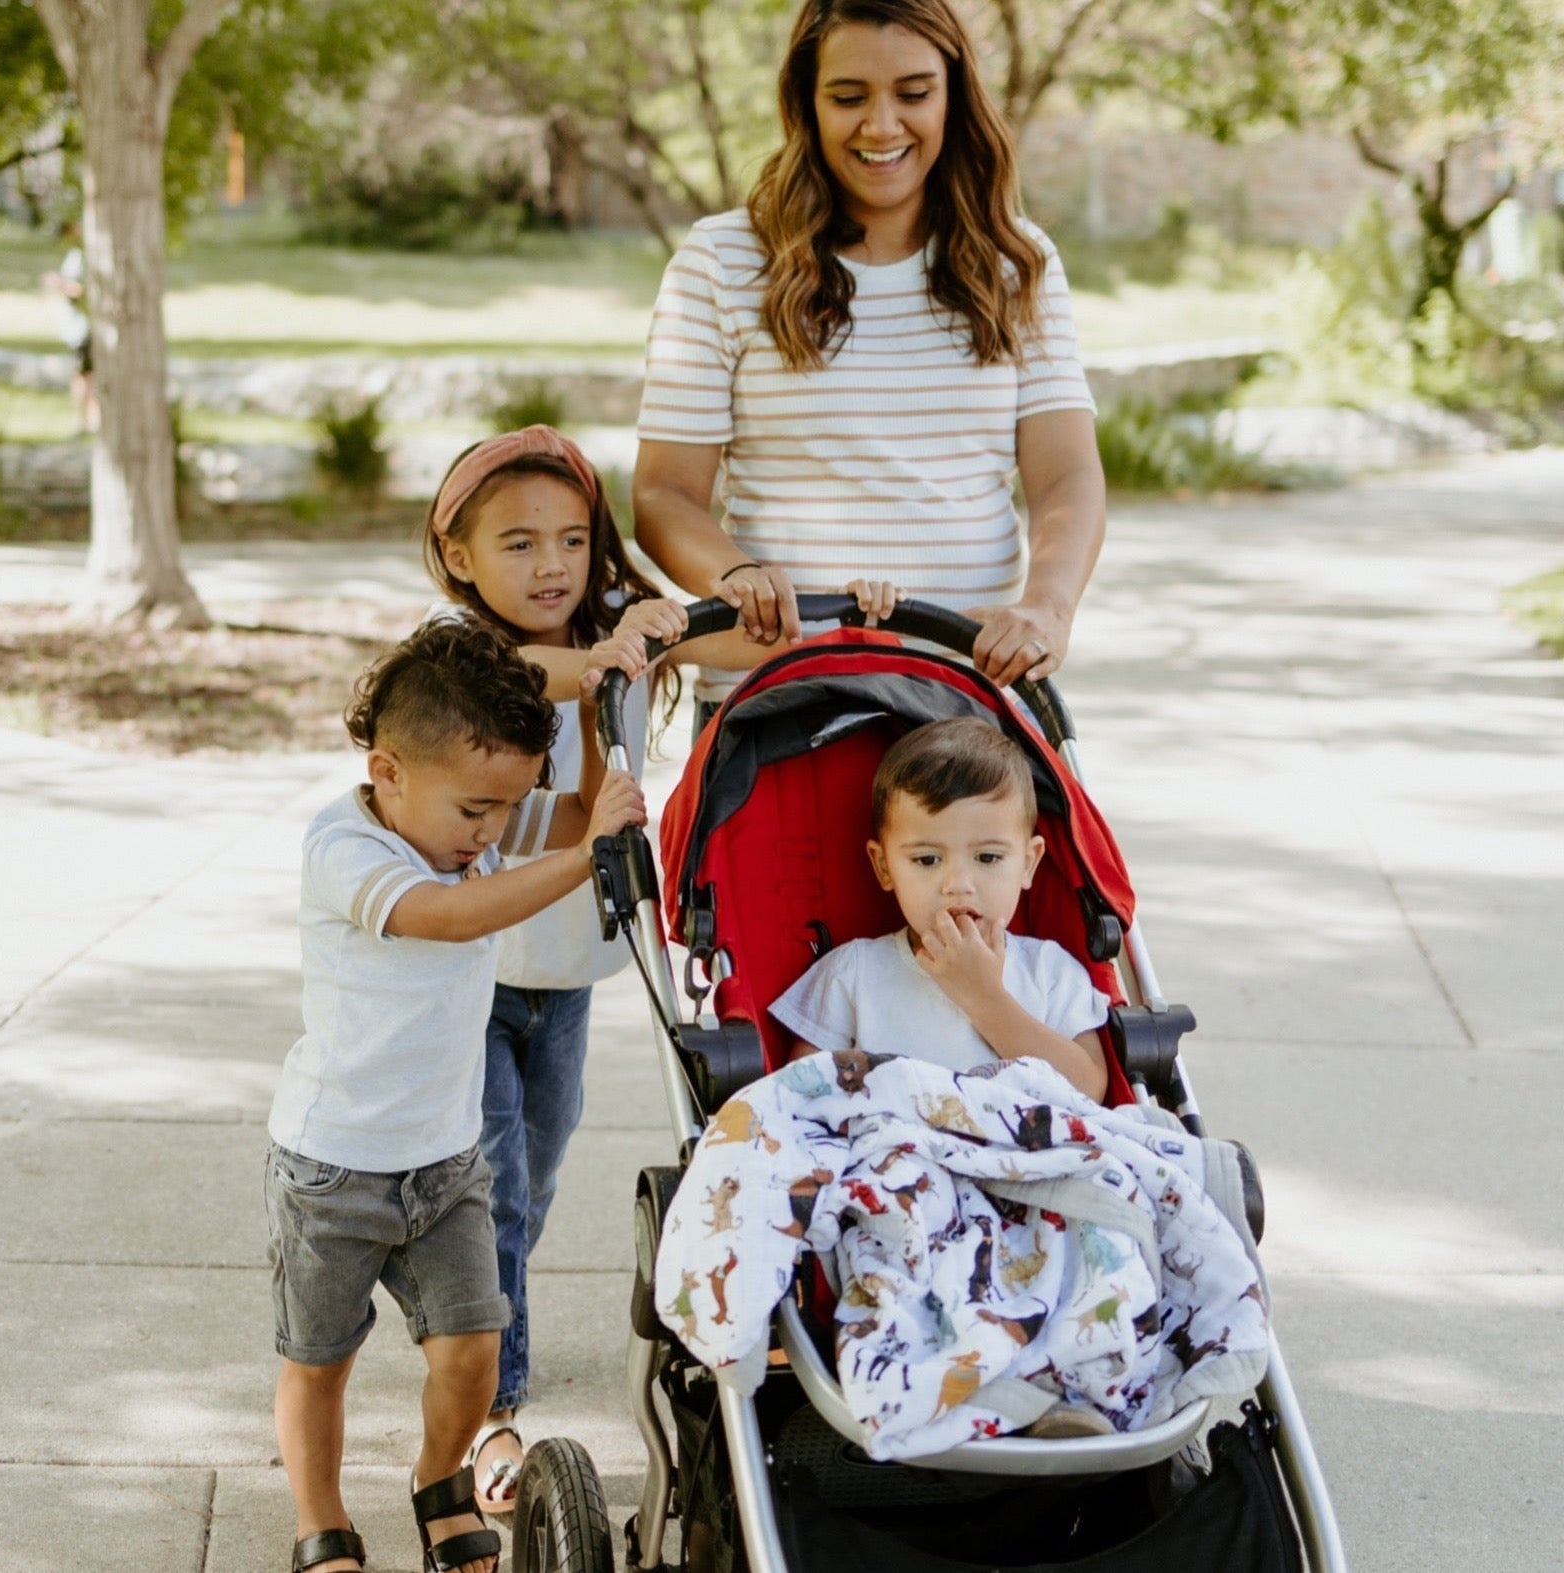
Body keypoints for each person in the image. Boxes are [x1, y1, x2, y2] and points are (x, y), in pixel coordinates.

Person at [421, 425, 794, 1512]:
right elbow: (529, 673)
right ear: (458, 556)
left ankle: (469, 1311)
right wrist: (613, 653)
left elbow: (747, 655)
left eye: (573, 540)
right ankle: (490, 1399)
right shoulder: (455, 655)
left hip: (564, 977)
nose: (551, 564)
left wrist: (782, 609)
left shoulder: (610, 639)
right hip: (469, 976)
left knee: (530, 1179)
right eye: (519, 542)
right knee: (494, 1186)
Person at [264, 617, 646, 1573]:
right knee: (319, 1359)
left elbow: (576, 814)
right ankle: (321, 1521)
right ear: (387, 770)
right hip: (333, 1166)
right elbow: (450, 914)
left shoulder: (472, 815)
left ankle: (439, 1482)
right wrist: (584, 859)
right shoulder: (346, 847)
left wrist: (593, 712)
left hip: (444, 1161)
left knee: (474, 1348)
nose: (489, 834)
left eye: (504, 809)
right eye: (476, 810)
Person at [633, 0, 1105, 721]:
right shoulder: (721, 260)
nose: (882, 126)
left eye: (913, 93)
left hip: (965, 709)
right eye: (848, 97)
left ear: (952, 97)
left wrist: (1047, 608)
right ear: (807, 104)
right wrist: (737, 575)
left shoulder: (1016, 261)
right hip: (778, 705)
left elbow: (1066, 474)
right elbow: (663, 494)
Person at [771, 716, 1109, 1102]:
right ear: (884, 867)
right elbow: (795, 1101)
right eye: (928, 860)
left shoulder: (1048, 971)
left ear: (1028, 863)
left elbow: (1088, 1092)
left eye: (987, 857)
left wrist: (986, 999)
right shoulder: (853, 973)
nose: (958, 884)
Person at [41, 221, 96, 434]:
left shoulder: (85, 255)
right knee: (84, 374)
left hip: (86, 327)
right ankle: (85, 419)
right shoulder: (76, 254)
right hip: (76, 327)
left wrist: (58, 283)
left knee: (86, 375)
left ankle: (87, 420)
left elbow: (80, 289)